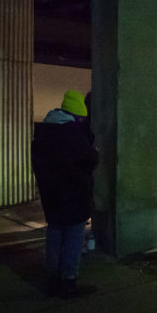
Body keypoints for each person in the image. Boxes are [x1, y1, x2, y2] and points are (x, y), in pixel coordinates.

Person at [31, 90, 99, 297]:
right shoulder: (73, 133)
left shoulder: (43, 131)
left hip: (50, 195)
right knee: (73, 238)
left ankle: (52, 279)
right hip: (73, 196)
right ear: (76, 116)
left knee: (54, 234)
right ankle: (69, 281)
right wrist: (94, 150)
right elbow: (90, 161)